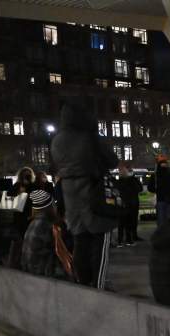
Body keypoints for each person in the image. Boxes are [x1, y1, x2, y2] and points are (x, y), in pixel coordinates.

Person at [51, 101, 119, 289]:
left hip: (71, 196)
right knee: (100, 243)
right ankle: (99, 286)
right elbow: (112, 160)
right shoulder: (89, 137)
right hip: (94, 194)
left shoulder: (57, 140)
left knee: (80, 241)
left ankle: (83, 284)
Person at [4, 167, 36, 268]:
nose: (27, 177)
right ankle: (16, 261)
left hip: (31, 217)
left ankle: (27, 261)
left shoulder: (33, 186)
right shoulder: (17, 186)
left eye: (29, 175)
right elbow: (8, 203)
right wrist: (20, 194)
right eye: (25, 175)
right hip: (19, 217)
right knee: (19, 240)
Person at [21, 189, 57, 277]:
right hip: (40, 273)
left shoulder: (33, 222)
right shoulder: (46, 225)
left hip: (27, 271)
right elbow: (58, 250)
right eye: (53, 203)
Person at [115, 163, 143, 247]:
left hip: (123, 205)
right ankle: (128, 240)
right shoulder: (131, 180)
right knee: (128, 223)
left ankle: (121, 241)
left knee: (122, 224)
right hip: (130, 204)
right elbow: (139, 188)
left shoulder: (119, 181)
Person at [148, 156, 170, 226]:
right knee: (169, 220)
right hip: (168, 199)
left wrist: (157, 190)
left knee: (161, 220)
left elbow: (150, 188)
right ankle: (168, 235)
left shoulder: (155, 174)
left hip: (161, 199)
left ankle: (162, 235)